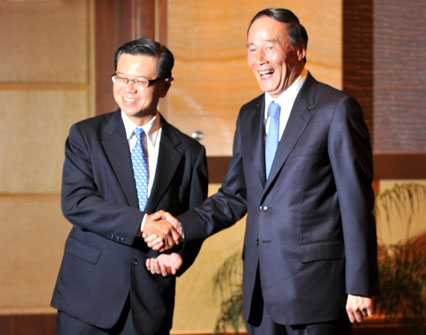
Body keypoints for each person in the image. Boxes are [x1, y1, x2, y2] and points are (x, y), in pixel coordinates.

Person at [145, 8, 378, 335]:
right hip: (261, 290)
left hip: (318, 292)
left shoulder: (335, 110)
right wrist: (181, 227)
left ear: (299, 50)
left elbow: (355, 203)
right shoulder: (250, 114)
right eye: (251, 49)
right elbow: (234, 196)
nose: (258, 59)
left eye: (269, 47)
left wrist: (359, 284)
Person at [51, 38, 208, 335]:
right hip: (87, 297)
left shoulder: (189, 152)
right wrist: (143, 224)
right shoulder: (86, 135)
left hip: (149, 301)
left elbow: (195, 218)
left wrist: (180, 255)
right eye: (121, 78)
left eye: (139, 80)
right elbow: (77, 202)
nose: (128, 88)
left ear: (165, 84)